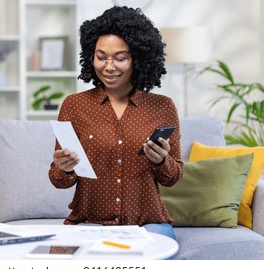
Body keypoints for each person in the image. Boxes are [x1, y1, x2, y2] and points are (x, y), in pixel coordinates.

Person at [48, 6, 183, 240]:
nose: (108, 67)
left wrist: (162, 160)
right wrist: (65, 167)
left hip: (147, 224)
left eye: (120, 58)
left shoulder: (163, 106)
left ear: (138, 59)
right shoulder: (74, 105)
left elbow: (173, 178)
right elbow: (59, 181)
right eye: (101, 57)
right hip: (89, 223)